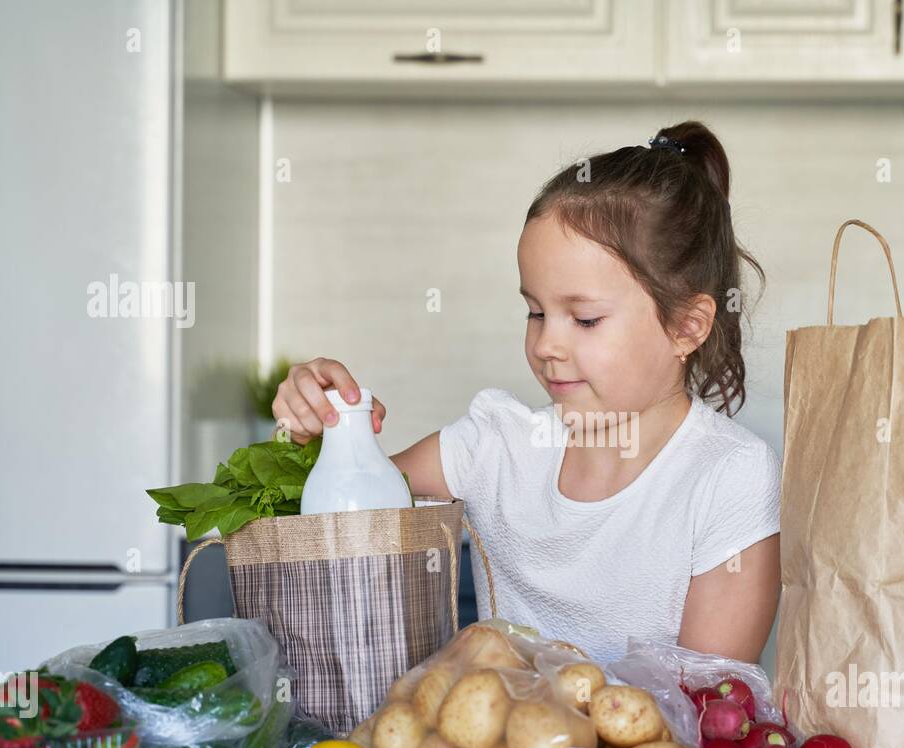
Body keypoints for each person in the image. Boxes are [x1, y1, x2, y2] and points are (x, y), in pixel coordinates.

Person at [272, 121, 781, 664]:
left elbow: (710, 706)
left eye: (584, 319)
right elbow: (331, 523)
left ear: (687, 326)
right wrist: (314, 431)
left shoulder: (730, 477)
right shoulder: (494, 446)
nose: (546, 345)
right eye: (535, 312)